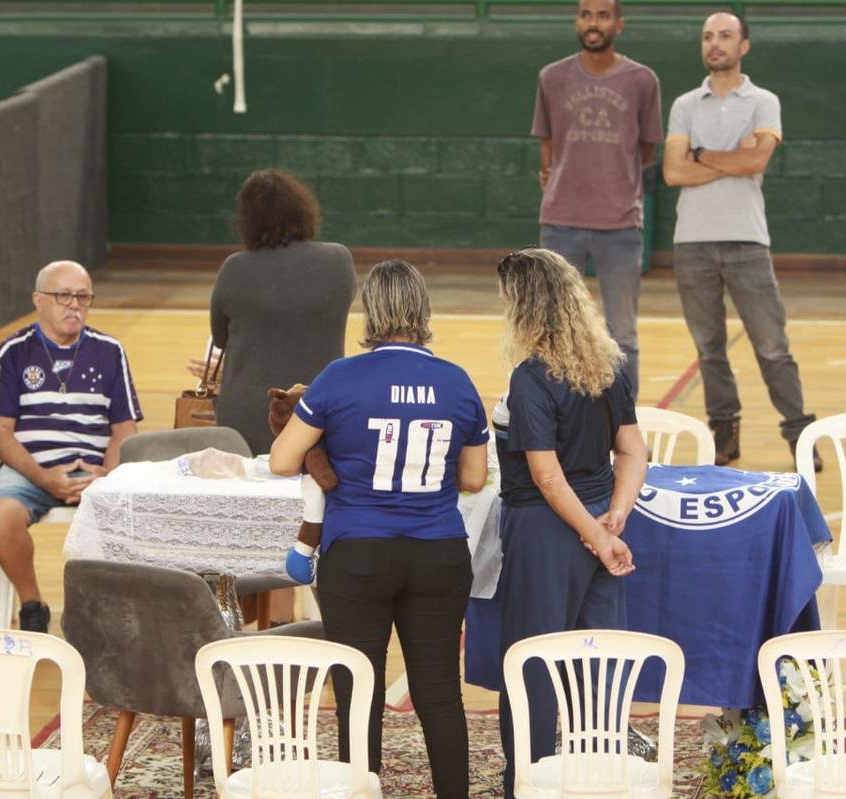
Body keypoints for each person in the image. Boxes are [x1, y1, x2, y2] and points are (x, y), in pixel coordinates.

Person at [270, 260, 489, 799]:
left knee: (358, 692)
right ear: (423, 311)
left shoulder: (339, 377)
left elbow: (281, 460)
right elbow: (475, 477)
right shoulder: (456, 380)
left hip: (359, 555)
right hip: (439, 551)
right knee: (439, 693)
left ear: (370, 312)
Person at [492, 247, 646, 799]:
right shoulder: (610, 367)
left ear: (526, 308)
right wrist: (614, 520)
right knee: (600, 665)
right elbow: (632, 452)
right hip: (603, 518)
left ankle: (529, 784)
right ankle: (596, 780)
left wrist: (595, 533)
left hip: (547, 531)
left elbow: (547, 476)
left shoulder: (531, 376)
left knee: (532, 665)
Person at [662, 12, 820, 469]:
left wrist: (702, 155)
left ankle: (799, 433)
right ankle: (724, 432)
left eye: (725, 36)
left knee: (772, 345)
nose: (715, 44)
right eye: (708, 36)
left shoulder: (763, 100)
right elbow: (674, 172)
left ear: (743, 46)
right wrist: (733, 157)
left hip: (747, 241)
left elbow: (757, 162)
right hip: (691, 241)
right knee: (708, 347)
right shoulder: (685, 104)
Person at [0, 260, 141, 633]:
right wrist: (44, 477)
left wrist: (108, 474)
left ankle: (100, 615)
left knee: (132, 513)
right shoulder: (13, 353)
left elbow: (124, 428)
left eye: (83, 296)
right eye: (63, 295)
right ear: (38, 300)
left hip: (94, 473)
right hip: (31, 472)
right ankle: (33, 604)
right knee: (0, 513)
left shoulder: (110, 351)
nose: (74, 305)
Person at [531, 0, 662, 400]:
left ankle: (624, 425)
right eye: (586, 14)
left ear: (618, 24)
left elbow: (647, 149)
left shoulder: (642, 80)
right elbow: (548, 143)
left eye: (603, 15)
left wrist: (612, 177)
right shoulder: (552, 77)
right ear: (577, 21)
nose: (593, 22)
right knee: (551, 328)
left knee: (622, 333)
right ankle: (555, 419)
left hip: (620, 224)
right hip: (561, 221)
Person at [210, 169, 356, 455]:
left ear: (246, 220)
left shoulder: (234, 268)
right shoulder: (339, 260)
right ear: (302, 210)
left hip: (245, 417)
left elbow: (219, 338)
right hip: (319, 411)